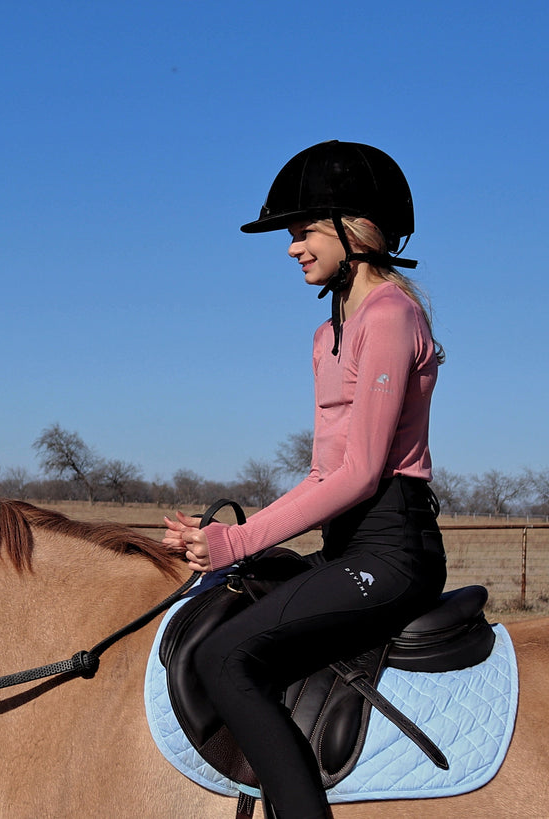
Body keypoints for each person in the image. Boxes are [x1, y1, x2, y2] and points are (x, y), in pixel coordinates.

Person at [162, 140, 447, 819]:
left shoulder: (390, 316)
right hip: (349, 546)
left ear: (356, 228)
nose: (291, 247)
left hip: (393, 552)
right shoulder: (328, 335)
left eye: (303, 230)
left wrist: (239, 540)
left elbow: (360, 472)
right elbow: (322, 472)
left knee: (227, 658)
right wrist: (235, 540)